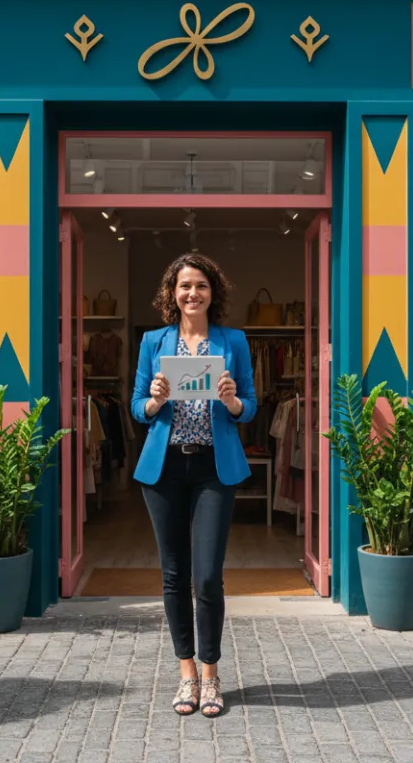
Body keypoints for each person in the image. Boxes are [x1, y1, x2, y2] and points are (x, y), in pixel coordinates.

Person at [132, 253, 256, 718]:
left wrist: (234, 401)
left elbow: (253, 404)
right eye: (184, 286)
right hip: (163, 469)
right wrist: (153, 403)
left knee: (206, 576)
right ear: (172, 293)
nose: (192, 294)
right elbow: (135, 403)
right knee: (173, 575)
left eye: (200, 285)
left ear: (213, 292)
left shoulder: (234, 341)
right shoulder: (153, 342)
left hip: (213, 469)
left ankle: (211, 673)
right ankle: (186, 674)